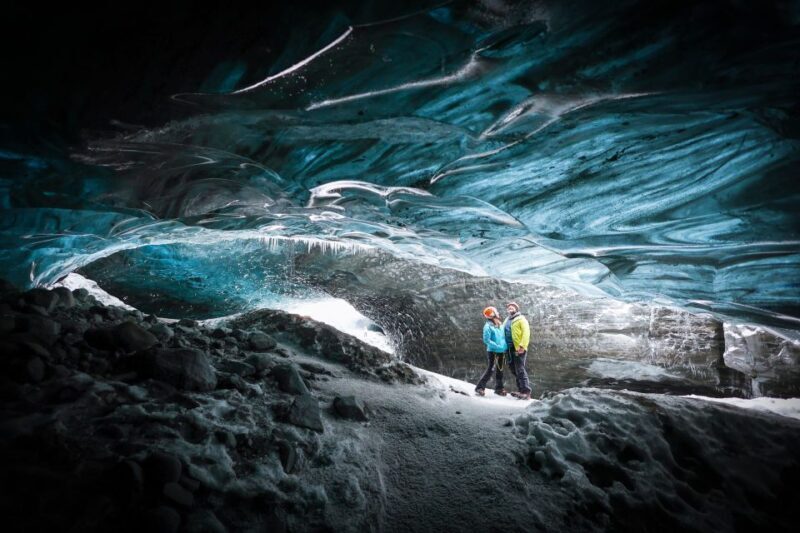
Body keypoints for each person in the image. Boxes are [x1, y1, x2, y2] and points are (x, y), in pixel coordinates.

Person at [475, 306, 508, 396]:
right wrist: (497, 346)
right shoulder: (487, 326)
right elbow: (486, 340)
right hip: (493, 351)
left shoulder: (500, 324)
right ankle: (479, 388)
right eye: (495, 312)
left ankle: (499, 389)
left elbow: (503, 337)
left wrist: (504, 346)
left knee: (500, 369)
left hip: (501, 350)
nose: (497, 313)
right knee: (491, 369)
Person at [503, 302, 532, 400]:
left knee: (520, 369)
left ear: (517, 309)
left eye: (512, 307)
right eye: (509, 308)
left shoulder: (521, 319)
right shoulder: (506, 320)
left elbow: (526, 333)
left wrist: (522, 346)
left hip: (518, 348)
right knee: (513, 369)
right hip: (508, 348)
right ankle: (521, 390)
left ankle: (526, 392)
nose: (510, 308)